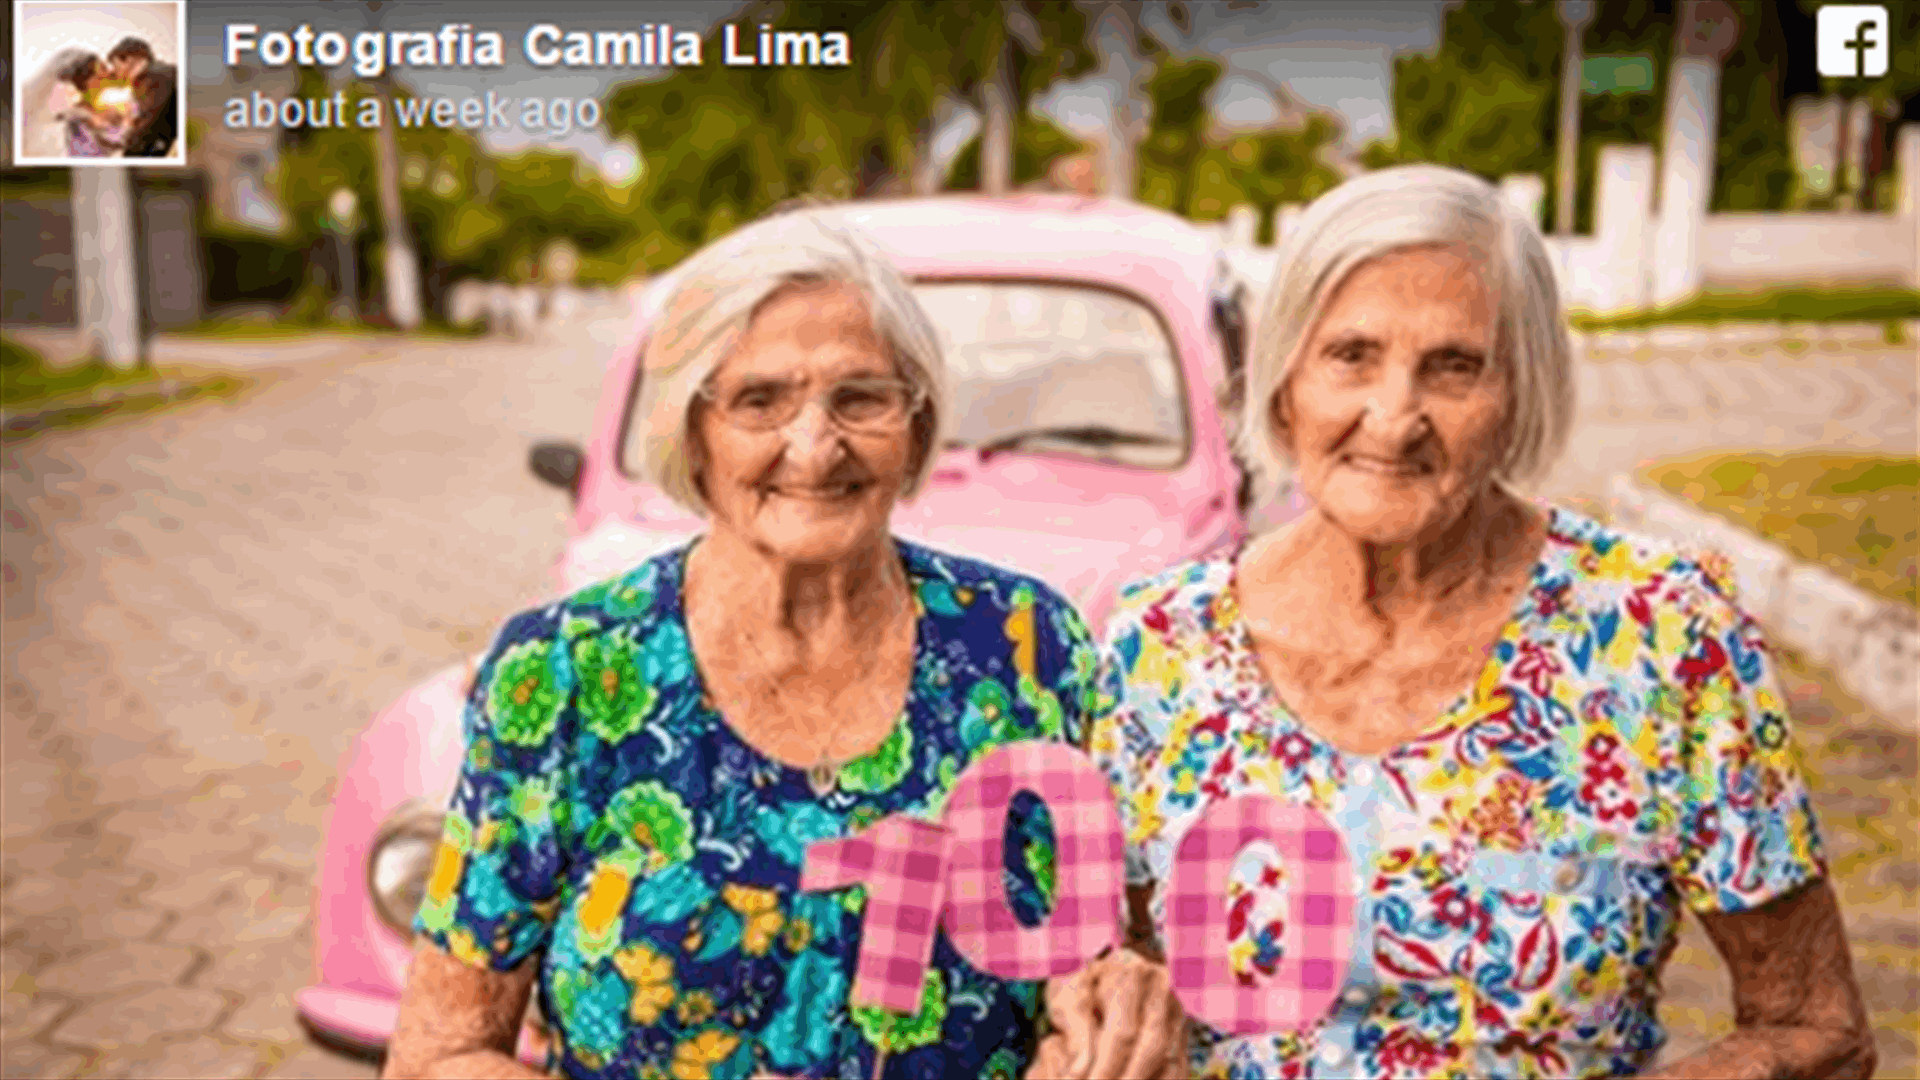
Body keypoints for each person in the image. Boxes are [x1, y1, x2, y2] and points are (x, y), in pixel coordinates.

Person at [1053, 165, 1873, 1079]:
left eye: (1454, 366)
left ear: (1519, 394)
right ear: (1285, 380)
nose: (1395, 418)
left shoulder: (1664, 634)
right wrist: (1100, 1023)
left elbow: (1819, 1029)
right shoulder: (1161, 646)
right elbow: (1107, 977)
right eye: (1351, 355)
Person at [381, 211, 1178, 1080]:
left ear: (914, 423)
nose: (815, 444)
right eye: (761, 400)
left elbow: (1099, 961)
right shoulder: (567, 672)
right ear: (695, 432)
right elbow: (441, 1054)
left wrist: (1101, 1025)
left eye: (861, 397)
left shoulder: (1029, 647)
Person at [106, 36, 177, 158]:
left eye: (115, 64)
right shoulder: (159, 74)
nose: (114, 71)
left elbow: (149, 128)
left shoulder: (155, 77)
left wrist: (126, 157)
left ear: (128, 59)